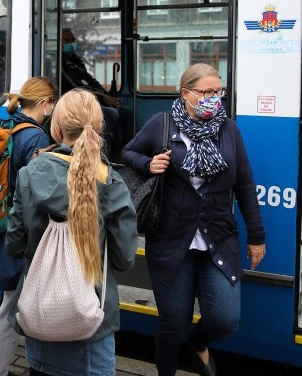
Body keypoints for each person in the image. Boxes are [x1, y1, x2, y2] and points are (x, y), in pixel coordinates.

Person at [121, 63, 265, 376]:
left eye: (219, 91)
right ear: (186, 94)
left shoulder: (229, 130)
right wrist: (149, 164)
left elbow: (244, 183)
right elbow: (128, 153)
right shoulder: (162, 124)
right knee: (174, 322)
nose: (215, 98)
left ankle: (199, 342)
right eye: (206, 92)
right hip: (172, 241)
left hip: (218, 238)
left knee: (225, 318)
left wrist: (256, 235)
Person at [6, 89, 137, 376]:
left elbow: (14, 245)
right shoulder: (111, 182)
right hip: (90, 327)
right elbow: (125, 258)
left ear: (56, 128)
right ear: (100, 128)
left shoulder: (29, 174)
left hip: (39, 319)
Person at [0, 77, 58, 376]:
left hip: (0, 222)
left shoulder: (3, 124)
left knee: (9, 302)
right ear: (44, 103)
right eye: (52, 102)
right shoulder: (37, 138)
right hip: (20, 231)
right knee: (11, 306)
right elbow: (36, 190)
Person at [60, 28, 119, 143]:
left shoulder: (75, 59)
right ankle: (101, 151)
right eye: (67, 41)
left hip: (86, 98)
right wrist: (102, 98)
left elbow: (89, 79)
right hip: (74, 101)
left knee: (125, 112)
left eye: (73, 40)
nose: (71, 44)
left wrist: (105, 94)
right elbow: (76, 86)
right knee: (112, 114)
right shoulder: (60, 62)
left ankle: (123, 150)